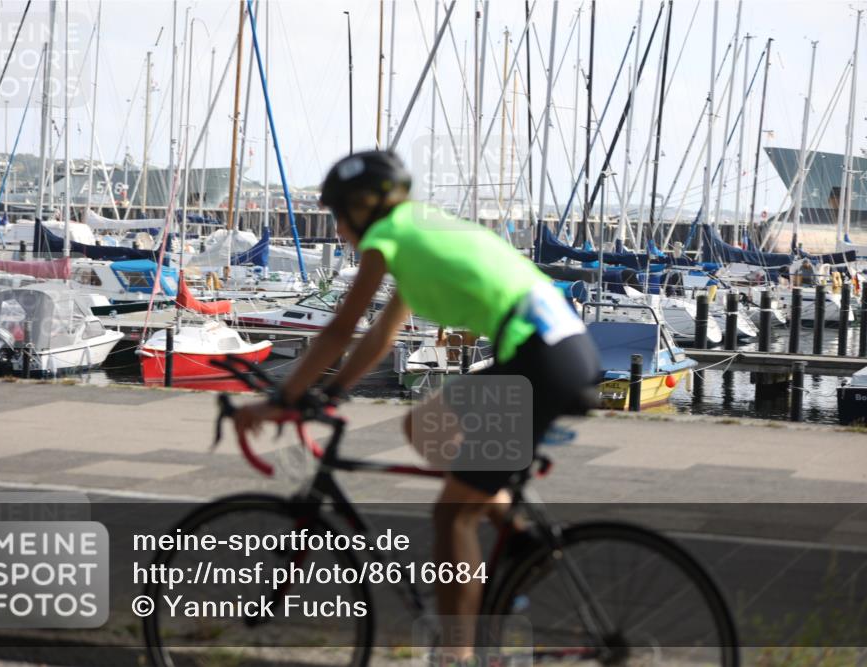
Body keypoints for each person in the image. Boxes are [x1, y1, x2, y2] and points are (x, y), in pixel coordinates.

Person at [232, 150, 600, 664]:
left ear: (364, 208)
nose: (338, 230)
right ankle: (516, 537)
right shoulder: (421, 232)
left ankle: (457, 655)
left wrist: (282, 399)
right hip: (561, 349)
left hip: (540, 357)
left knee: (451, 515)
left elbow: (341, 328)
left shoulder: (390, 238)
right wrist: (335, 392)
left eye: (340, 216)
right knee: (424, 424)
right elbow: (381, 335)